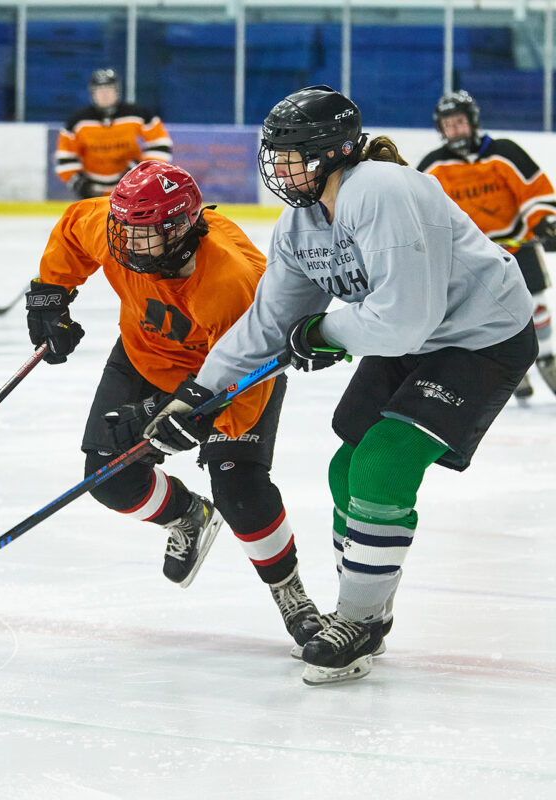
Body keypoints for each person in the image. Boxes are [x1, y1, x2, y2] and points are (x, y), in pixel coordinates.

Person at [143, 86, 537, 686]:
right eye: (276, 154)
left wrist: (324, 329)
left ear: (335, 151)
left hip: (479, 337)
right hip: (411, 337)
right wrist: (198, 395)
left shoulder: (381, 190)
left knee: (382, 464)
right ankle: (366, 613)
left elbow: (406, 318)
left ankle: (356, 620)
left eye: (294, 153)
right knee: (342, 469)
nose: (281, 167)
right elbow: (270, 322)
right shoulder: (300, 223)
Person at [25, 160, 322, 646]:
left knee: (240, 490)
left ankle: (291, 594)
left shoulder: (230, 282)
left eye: (142, 235)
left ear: (181, 229)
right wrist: (51, 295)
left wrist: (176, 418)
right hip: (143, 356)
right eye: (124, 230)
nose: (126, 244)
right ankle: (188, 514)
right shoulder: (120, 229)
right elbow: (77, 226)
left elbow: (244, 389)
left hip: (232, 374)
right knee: (110, 482)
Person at [418, 90, 556, 399]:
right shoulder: (433, 167)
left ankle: (547, 357)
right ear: (441, 129)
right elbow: (420, 211)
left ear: (473, 122)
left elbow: (534, 194)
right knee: (487, 315)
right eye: (448, 124)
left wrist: (545, 222)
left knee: (537, 305)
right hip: (473, 257)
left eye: (460, 122)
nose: (455, 130)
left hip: (518, 248)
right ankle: (512, 365)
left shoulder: (504, 152)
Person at [54, 69, 173, 200]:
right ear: (92, 93)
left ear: (117, 91)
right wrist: (80, 184)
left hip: (133, 189)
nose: (105, 95)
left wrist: (140, 171)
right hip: (92, 192)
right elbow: (65, 156)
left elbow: (161, 144)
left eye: (109, 89)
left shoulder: (137, 114)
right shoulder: (77, 121)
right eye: (100, 90)